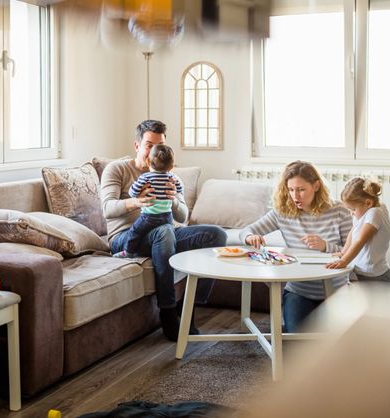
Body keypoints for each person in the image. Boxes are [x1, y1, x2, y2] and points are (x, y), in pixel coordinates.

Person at [100, 120, 227, 341]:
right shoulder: (117, 169)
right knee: (165, 232)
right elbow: (107, 209)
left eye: (160, 145)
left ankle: (188, 308)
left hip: (164, 232)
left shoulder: (169, 175)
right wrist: (137, 202)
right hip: (127, 237)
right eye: (149, 145)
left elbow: (182, 217)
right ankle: (168, 313)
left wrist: (174, 200)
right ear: (137, 145)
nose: (155, 151)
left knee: (216, 235)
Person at [240, 161, 352, 332]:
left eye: (301, 189)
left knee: (336, 342)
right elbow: (246, 231)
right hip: (299, 291)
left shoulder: (339, 211)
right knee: (296, 339)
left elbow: (352, 253)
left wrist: (326, 246)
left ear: (316, 186)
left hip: (336, 290)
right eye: (291, 190)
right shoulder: (283, 212)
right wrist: (250, 237)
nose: (295, 196)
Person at [112, 143, 183, 258]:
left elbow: (132, 192)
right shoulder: (172, 177)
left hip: (149, 217)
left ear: (148, 162)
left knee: (135, 231)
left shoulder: (146, 177)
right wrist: (174, 192)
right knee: (167, 232)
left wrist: (136, 196)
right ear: (171, 167)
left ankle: (128, 252)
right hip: (167, 216)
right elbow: (180, 189)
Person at [325, 177, 390, 282]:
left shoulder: (375, 213)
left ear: (368, 203)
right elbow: (354, 230)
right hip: (366, 272)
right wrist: (343, 252)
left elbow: (361, 240)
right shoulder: (365, 210)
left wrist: (344, 260)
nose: (351, 213)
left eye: (353, 209)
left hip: (376, 276)